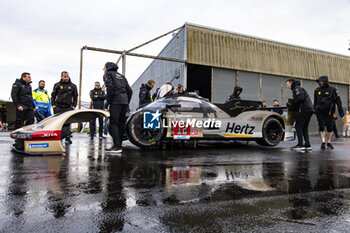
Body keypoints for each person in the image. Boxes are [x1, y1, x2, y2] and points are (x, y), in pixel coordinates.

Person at [103, 62, 132, 152]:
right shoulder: (122, 76)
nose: (103, 69)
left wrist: (109, 101)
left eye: (104, 68)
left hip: (115, 101)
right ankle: (119, 146)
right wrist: (126, 102)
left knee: (113, 123)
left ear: (107, 68)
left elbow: (110, 87)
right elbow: (130, 91)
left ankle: (116, 146)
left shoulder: (107, 74)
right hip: (124, 102)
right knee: (121, 124)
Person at [314, 76, 344, 150]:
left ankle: (329, 142)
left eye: (321, 81)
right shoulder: (317, 90)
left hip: (329, 112)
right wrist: (314, 109)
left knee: (329, 127)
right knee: (321, 126)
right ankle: (323, 142)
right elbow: (315, 101)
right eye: (319, 81)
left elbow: (338, 101)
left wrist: (341, 112)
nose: (320, 82)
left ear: (325, 81)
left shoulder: (332, 90)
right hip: (319, 112)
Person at [286, 79, 313, 152]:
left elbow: (300, 98)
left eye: (287, 84)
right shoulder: (298, 88)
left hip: (305, 109)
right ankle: (307, 145)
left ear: (291, 83)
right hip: (309, 109)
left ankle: (300, 145)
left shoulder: (297, 88)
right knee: (304, 127)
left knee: (298, 126)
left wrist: (291, 104)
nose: (287, 85)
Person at [51, 71, 78, 144]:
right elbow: (53, 95)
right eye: (64, 77)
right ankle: (59, 138)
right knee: (58, 123)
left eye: (67, 76)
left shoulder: (73, 86)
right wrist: (53, 105)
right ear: (61, 77)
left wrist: (74, 106)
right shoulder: (57, 85)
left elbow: (75, 96)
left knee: (67, 123)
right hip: (58, 107)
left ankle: (67, 138)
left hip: (68, 107)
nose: (66, 78)